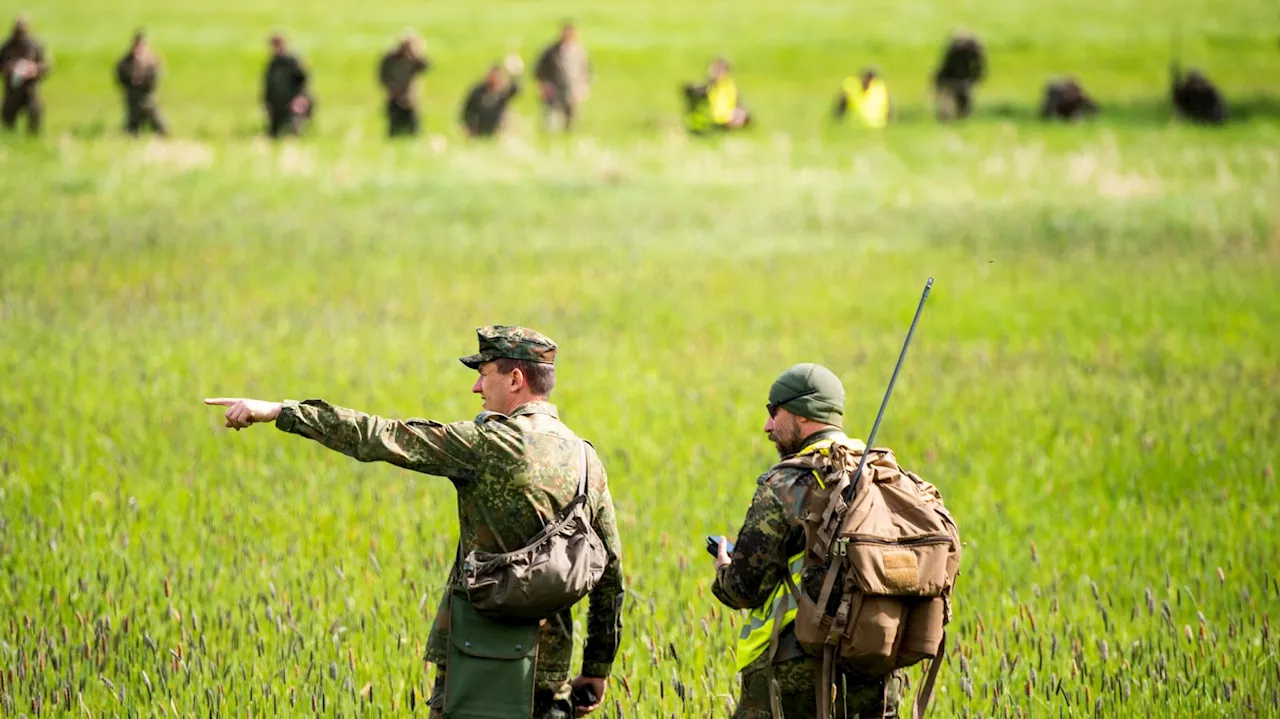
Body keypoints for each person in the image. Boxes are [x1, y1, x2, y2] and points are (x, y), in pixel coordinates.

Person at [204, 325, 625, 719]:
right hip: (548, 671)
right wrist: (597, 667)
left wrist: (280, 411)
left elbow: (381, 435)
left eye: (484, 374)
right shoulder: (587, 459)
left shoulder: (488, 443)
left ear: (516, 379)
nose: (476, 386)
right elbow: (610, 572)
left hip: (475, 654)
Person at [712, 364, 902, 718]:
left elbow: (744, 588)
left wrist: (724, 569)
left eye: (774, 411)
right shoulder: (881, 474)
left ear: (803, 413)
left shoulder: (787, 484)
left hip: (798, 672)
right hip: (878, 668)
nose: (768, 426)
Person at [534, 20, 590, 131]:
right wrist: (543, 87)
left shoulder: (579, 52)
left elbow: (585, 71)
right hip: (554, 91)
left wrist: (583, 88)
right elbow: (539, 71)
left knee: (571, 121)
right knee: (552, 120)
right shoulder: (550, 51)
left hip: (572, 91)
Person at [0, 15, 50, 135]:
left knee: (35, 113)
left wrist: (34, 69)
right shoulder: (7, 46)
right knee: (7, 118)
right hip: (12, 90)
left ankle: (32, 140)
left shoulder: (36, 46)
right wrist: (8, 68)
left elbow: (47, 66)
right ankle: (8, 141)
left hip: (30, 89)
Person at [115, 30, 167, 136]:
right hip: (133, 97)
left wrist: (145, 85)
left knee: (158, 123)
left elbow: (156, 76)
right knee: (133, 124)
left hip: (147, 97)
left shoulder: (151, 60)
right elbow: (120, 76)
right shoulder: (126, 61)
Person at [379, 33, 430, 137]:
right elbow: (383, 76)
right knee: (394, 129)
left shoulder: (413, 60)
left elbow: (426, 66)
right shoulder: (391, 59)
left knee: (414, 130)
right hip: (394, 98)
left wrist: (416, 55)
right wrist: (392, 89)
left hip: (410, 100)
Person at [682, 57, 751, 135]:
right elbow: (688, 91)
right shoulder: (705, 87)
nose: (718, 73)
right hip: (710, 123)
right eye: (716, 70)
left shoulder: (730, 87)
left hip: (724, 121)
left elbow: (739, 105)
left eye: (721, 70)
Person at [262, 33, 312, 138]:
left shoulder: (293, 62)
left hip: (293, 102)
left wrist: (300, 98)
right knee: (273, 133)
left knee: (294, 131)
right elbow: (268, 85)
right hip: (277, 104)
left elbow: (302, 81)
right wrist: (267, 102)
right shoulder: (273, 63)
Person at [461, 55, 523, 138]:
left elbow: (516, 89)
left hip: (497, 130)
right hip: (479, 129)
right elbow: (467, 111)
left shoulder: (501, 92)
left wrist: (515, 73)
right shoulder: (478, 91)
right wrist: (468, 127)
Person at [932, 31, 985, 120]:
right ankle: (955, 117)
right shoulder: (971, 48)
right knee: (958, 100)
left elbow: (979, 67)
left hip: (959, 79)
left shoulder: (959, 47)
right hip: (956, 79)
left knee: (961, 100)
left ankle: (957, 117)